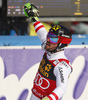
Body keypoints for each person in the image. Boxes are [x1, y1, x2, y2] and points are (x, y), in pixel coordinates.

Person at [24, 3, 73, 100]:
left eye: (53, 38)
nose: (48, 40)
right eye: (49, 35)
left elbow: (62, 88)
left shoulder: (61, 65)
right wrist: (34, 17)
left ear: (61, 45)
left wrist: (49, 98)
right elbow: (42, 32)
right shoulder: (50, 47)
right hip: (35, 95)